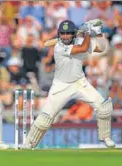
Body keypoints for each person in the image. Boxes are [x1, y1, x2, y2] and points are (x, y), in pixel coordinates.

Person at [24, 19, 116, 149]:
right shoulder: (59, 47)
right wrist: (88, 33)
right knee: (45, 119)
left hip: (80, 83)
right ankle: (29, 144)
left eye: (68, 33)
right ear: (59, 34)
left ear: (73, 34)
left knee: (104, 107)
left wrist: (98, 33)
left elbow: (101, 48)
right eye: (63, 33)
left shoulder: (80, 41)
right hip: (61, 86)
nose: (65, 36)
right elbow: (83, 48)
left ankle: (106, 137)